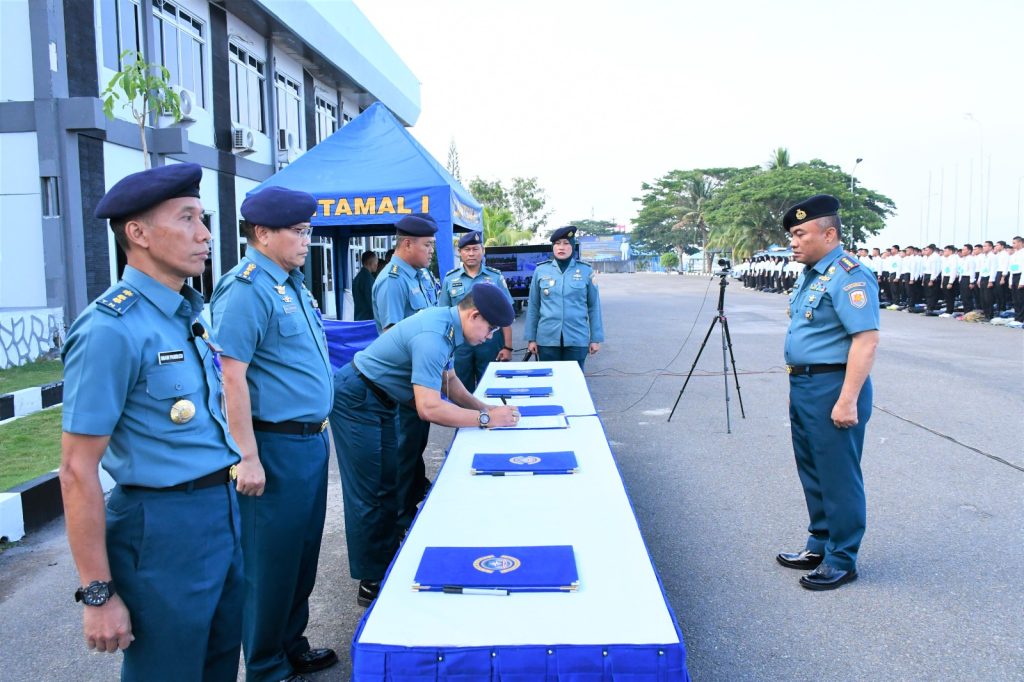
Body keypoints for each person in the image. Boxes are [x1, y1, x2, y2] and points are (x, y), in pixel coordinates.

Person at [59, 163, 245, 679]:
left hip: (220, 513)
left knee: (217, 665)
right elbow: (76, 470)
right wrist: (98, 592)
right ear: (138, 234)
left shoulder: (188, 314)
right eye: (187, 218)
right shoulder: (110, 329)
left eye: (203, 219)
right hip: (161, 527)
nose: (205, 234)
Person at [210, 186, 337, 681]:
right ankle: (265, 666)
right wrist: (247, 456)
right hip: (274, 445)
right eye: (299, 231)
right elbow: (231, 377)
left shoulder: (292, 283)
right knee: (268, 563)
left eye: (309, 231)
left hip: (310, 442)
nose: (307, 240)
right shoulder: (246, 288)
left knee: (300, 555)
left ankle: (290, 644)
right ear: (262, 234)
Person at [330, 284, 521, 606]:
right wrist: (486, 420)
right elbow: (429, 408)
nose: (490, 337)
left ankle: (387, 555)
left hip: (381, 399)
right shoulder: (434, 335)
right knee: (369, 491)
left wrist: (485, 408)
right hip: (357, 400)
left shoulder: (448, 326)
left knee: (389, 482)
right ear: (474, 315)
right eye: (490, 329)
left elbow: (450, 382)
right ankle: (372, 580)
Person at [776, 194, 879, 591]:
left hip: (834, 386)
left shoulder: (849, 275)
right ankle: (819, 543)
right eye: (792, 235)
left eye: (801, 233)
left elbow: (865, 340)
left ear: (829, 234)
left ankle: (842, 558)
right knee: (813, 470)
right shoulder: (811, 275)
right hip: (805, 385)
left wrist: (848, 399)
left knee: (838, 475)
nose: (793, 242)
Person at [370, 214, 439, 546]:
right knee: (402, 455)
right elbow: (392, 337)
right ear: (407, 244)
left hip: (421, 381)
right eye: (427, 245)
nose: (431, 251)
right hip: (403, 385)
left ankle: (411, 513)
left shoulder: (421, 275)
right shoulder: (393, 281)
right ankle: (398, 526)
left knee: (414, 451)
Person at [438, 231, 514, 392]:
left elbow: (505, 314)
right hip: (460, 345)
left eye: (475, 249)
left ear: (483, 251)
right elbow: (443, 314)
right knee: (460, 387)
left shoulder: (495, 277)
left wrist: (508, 347)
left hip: (490, 342)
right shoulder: (450, 279)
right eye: (467, 250)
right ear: (460, 253)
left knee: (491, 386)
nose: (471, 253)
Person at [525, 225, 605, 369]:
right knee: (549, 377)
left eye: (566, 243)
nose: (561, 247)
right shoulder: (541, 270)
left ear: (572, 246)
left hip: (577, 337)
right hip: (547, 338)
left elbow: (594, 306)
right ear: (553, 247)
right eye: (557, 243)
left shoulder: (585, 271)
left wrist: (595, 338)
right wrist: (531, 338)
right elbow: (533, 306)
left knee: (574, 379)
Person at [352, 250, 378, 322]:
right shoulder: (368, 279)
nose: (377, 265)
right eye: (376, 262)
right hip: (368, 319)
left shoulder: (358, 277)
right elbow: (372, 301)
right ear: (370, 263)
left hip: (359, 317)